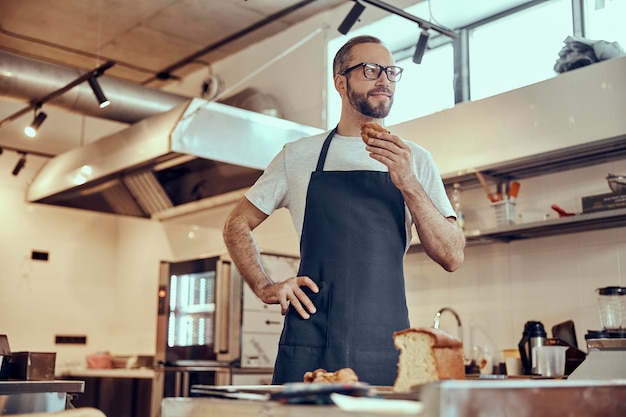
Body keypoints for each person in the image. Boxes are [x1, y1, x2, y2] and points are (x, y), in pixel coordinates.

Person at [223, 35, 465, 386]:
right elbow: (236, 224)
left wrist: (408, 182)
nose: (384, 79)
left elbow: (452, 256)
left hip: (385, 340)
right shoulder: (299, 156)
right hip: (310, 338)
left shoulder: (414, 159)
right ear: (340, 82)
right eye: (370, 70)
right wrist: (265, 286)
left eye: (390, 71)